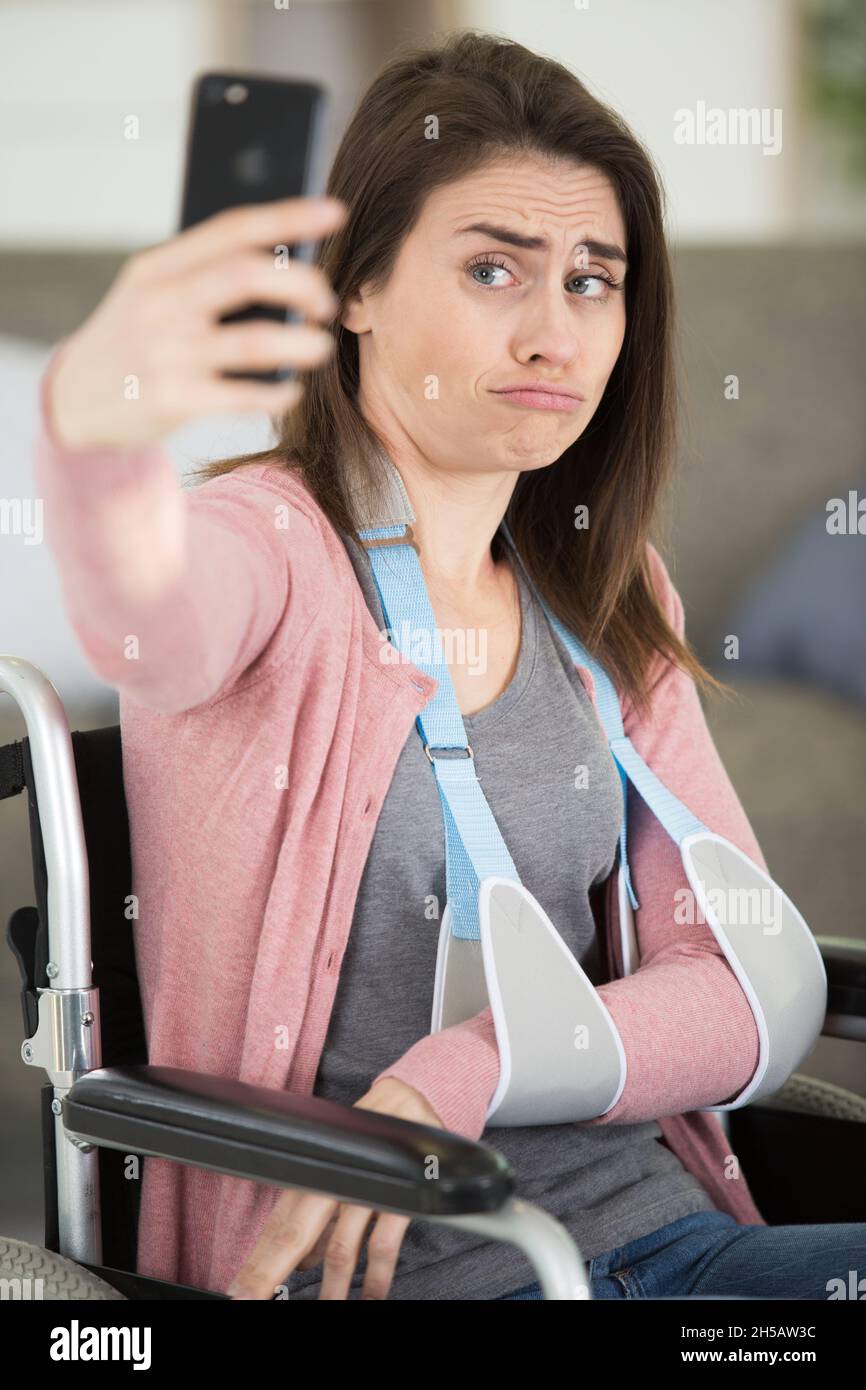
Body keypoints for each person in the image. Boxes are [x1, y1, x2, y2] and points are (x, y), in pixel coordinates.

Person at [34, 31, 864, 1301]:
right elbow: (141, 622)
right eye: (493, 270)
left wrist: (460, 1067)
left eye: (593, 281)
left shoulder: (604, 586)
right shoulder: (268, 552)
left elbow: (738, 980)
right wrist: (93, 431)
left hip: (671, 1244)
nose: (552, 333)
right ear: (351, 289)